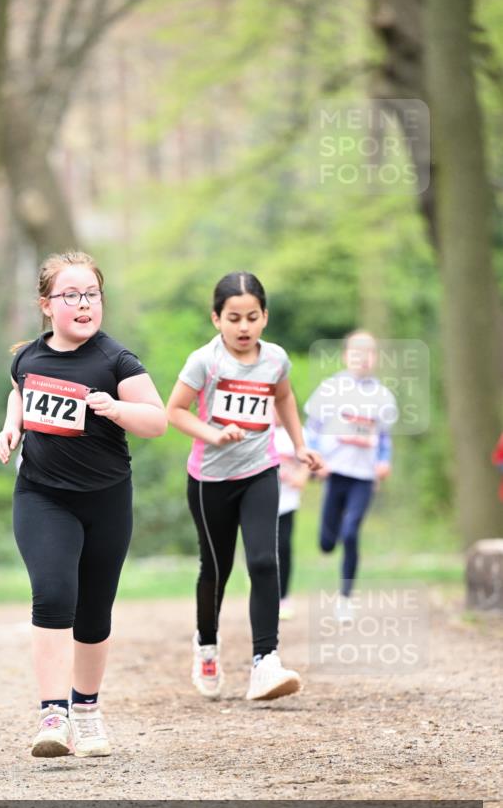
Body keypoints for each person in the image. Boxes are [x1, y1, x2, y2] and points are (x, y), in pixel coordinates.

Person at [0, 251, 166, 758]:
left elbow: (157, 421)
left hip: (106, 500)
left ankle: (86, 710)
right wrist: (11, 427)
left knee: (94, 611)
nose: (84, 303)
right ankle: (54, 716)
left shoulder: (116, 361)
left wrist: (117, 408)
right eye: (71, 295)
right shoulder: (28, 358)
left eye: (92, 294)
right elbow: (18, 392)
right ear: (47, 305)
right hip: (42, 495)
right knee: (53, 594)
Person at [167, 271, 322, 702]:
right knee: (216, 569)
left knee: (264, 561)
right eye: (233, 318)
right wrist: (213, 434)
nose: (243, 327)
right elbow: (174, 411)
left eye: (252, 317)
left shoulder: (275, 359)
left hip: (260, 470)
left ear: (264, 317)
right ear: (216, 318)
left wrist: (300, 446)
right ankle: (207, 646)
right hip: (210, 479)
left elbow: (284, 397)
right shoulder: (205, 361)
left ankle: (265, 662)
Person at [304, 330, 398, 622]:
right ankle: (327, 540)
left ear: (375, 358)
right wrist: (316, 459)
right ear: (346, 356)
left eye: (368, 353)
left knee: (351, 532)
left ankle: (345, 598)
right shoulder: (330, 389)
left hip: (364, 476)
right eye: (356, 352)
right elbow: (312, 428)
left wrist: (384, 461)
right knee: (327, 542)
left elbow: (384, 437)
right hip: (335, 471)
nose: (362, 358)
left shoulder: (383, 396)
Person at [274, 419, 310, 621]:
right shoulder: (259, 428)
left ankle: (283, 596)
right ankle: (259, 582)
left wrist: (302, 476)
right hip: (260, 500)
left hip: (287, 501)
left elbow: (307, 459)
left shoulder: (298, 432)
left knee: (284, 547)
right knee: (261, 549)